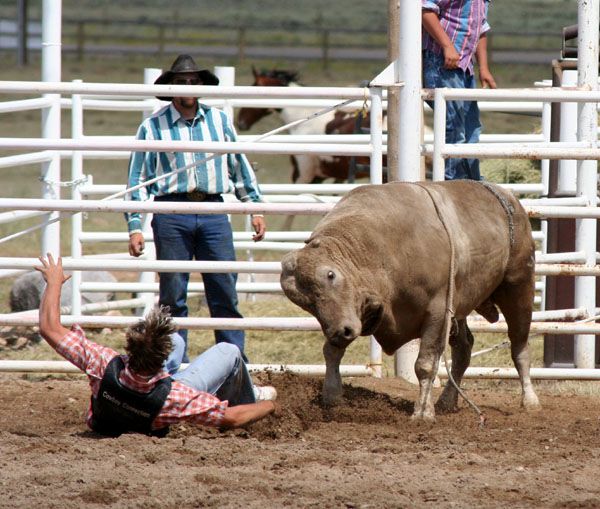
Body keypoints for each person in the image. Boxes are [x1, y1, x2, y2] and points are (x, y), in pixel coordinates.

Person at [36, 254, 277, 437]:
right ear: (161, 360)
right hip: (158, 410)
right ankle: (251, 395)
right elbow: (232, 418)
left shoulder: (102, 363)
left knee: (178, 341)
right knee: (229, 351)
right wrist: (271, 405)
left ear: (129, 347)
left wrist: (54, 282)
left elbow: (50, 328)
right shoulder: (177, 396)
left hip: (106, 423)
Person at [125, 54, 266, 362]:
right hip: (171, 211)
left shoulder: (219, 121)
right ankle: (175, 364)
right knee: (173, 294)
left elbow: (237, 164)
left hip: (214, 210)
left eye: (193, 81)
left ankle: (232, 361)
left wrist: (254, 206)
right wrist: (135, 225)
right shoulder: (152, 127)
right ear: (171, 87)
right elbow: (137, 179)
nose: (188, 86)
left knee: (224, 289)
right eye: (181, 81)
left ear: (201, 86)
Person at [422, 0, 497, 181]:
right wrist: (447, 46)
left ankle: (471, 182)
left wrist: (483, 68)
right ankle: (453, 184)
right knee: (455, 128)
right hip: (442, 62)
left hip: (464, 66)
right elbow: (426, 10)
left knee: (471, 129)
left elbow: (481, 28)